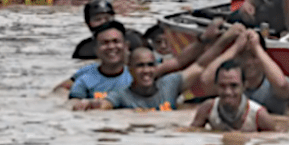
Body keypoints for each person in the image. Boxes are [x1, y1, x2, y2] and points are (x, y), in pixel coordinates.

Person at [79, 46, 207, 112]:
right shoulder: (121, 96)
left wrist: (212, 39)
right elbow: (104, 104)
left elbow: (201, 65)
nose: (146, 71)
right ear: (130, 69)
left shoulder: (170, 84)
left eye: (150, 65)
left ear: (156, 67)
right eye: (140, 66)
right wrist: (90, 104)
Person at [201, 27, 289, 115]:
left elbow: (282, 85)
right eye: (243, 56)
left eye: (254, 56)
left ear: (263, 56)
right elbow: (205, 80)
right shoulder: (229, 86)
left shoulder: (273, 85)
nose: (248, 62)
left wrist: (256, 47)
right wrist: (235, 48)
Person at [190, 60, 276, 132]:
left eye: (234, 86)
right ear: (216, 86)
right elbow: (192, 135)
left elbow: (274, 141)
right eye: (222, 86)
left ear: (244, 86)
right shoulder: (207, 109)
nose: (227, 92)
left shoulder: (259, 115)